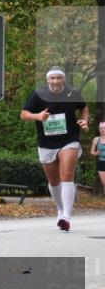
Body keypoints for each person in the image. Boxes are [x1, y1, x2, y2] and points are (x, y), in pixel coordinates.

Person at [21, 67, 89, 232]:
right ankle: (60, 209)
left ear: (63, 80)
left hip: (69, 139)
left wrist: (84, 120)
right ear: (47, 80)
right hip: (46, 142)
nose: (55, 81)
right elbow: (23, 114)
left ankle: (66, 217)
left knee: (67, 175)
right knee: (53, 181)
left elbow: (84, 107)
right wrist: (37, 116)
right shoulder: (39, 94)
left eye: (59, 78)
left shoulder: (72, 94)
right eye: (52, 78)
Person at [91, 122, 105, 199]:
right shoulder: (96, 139)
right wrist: (96, 153)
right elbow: (91, 152)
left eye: (104, 128)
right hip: (101, 162)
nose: (102, 130)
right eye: (100, 128)